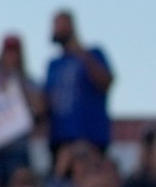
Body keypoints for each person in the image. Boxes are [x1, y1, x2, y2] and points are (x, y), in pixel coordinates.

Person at [43, 11, 115, 153]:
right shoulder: (54, 64)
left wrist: (80, 52)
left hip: (91, 137)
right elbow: (47, 100)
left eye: (60, 24)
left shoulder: (94, 53)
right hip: (60, 138)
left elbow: (106, 81)